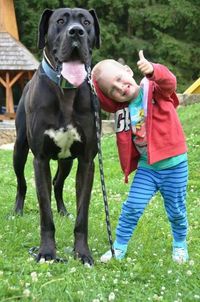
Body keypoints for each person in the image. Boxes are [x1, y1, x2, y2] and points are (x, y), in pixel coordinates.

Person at [91, 50, 189, 264]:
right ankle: (119, 247)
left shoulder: (152, 89)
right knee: (132, 207)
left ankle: (180, 243)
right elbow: (102, 101)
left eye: (119, 79)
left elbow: (169, 83)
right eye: (113, 90)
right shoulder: (122, 109)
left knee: (176, 210)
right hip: (148, 168)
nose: (120, 87)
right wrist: (91, 86)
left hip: (174, 165)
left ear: (128, 70)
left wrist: (154, 70)